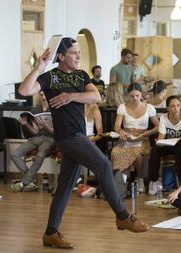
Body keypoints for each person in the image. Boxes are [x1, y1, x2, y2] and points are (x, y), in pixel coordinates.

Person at [19, 37, 149, 249]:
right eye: (73, 52)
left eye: (79, 52)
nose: (78, 56)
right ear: (60, 56)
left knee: (64, 188)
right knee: (104, 165)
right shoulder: (50, 77)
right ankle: (122, 215)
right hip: (68, 136)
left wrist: (70, 96)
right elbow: (25, 91)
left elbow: (96, 96)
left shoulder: (81, 75)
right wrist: (39, 66)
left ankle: (50, 233)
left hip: (78, 135)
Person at [111, 83, 159, 193]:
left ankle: (140, 179)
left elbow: (157, 126)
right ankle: (121, 181)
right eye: (132, 96)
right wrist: (121, 131)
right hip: (127, 137)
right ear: (128, 95)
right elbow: (117, 126)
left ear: (141, 94)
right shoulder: (122, 107)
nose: (135, 98)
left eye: (137, 95)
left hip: (143, 138)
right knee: (115, 152)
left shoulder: (149, 108)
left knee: (138, 155)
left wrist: (148, 132)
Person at [148, 96, 181, 195]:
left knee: (179, 149)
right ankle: (154, 180)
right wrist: (159, 142)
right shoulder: (164, 118)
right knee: (155, 149)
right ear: (168, 108)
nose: (176, 108)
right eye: (173, 106)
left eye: (178, 105)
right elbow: (161, 137)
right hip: (169, 144)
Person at [11, 91, 55, 192]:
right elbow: (35, 132)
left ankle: (25, 182)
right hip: (37, 138)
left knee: (40, 155)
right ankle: (31, 181)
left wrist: (46, 126)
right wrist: (26, 124)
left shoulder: (55, 109)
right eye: (42, 94)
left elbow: (56, 132)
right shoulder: (35, 110)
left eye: (45, 93)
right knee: (15, 154)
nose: (43, 96)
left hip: (51, 138)